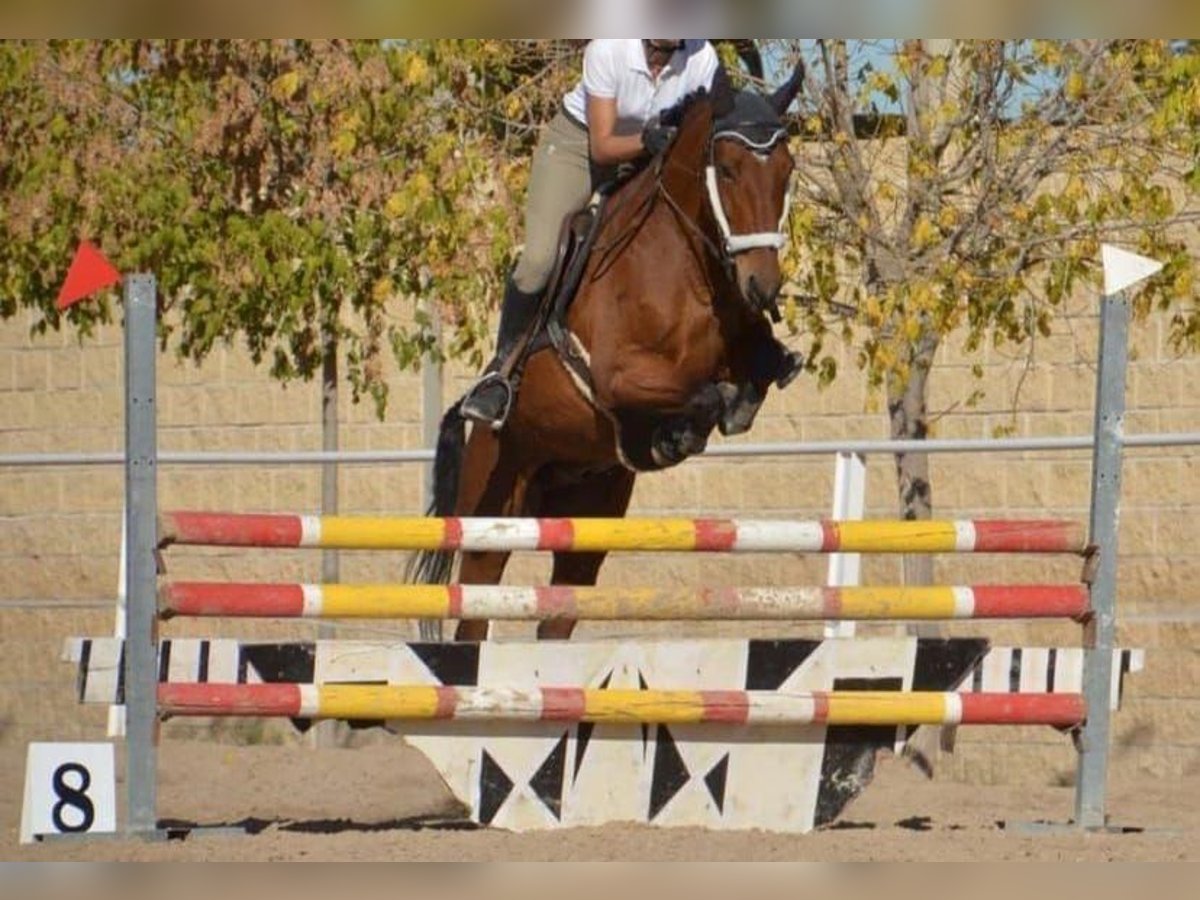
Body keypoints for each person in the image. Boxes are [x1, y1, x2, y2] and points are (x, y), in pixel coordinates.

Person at [460, 39, 796, 428]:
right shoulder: (609, 48)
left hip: (654, 150)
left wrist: (767, 110)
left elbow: (724, 112)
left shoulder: (701, 57)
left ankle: (756, 343)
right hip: (581, 148)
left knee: (709, 227)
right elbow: (603, 147)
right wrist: (648, 141)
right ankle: (501, 373)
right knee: (538, 260)